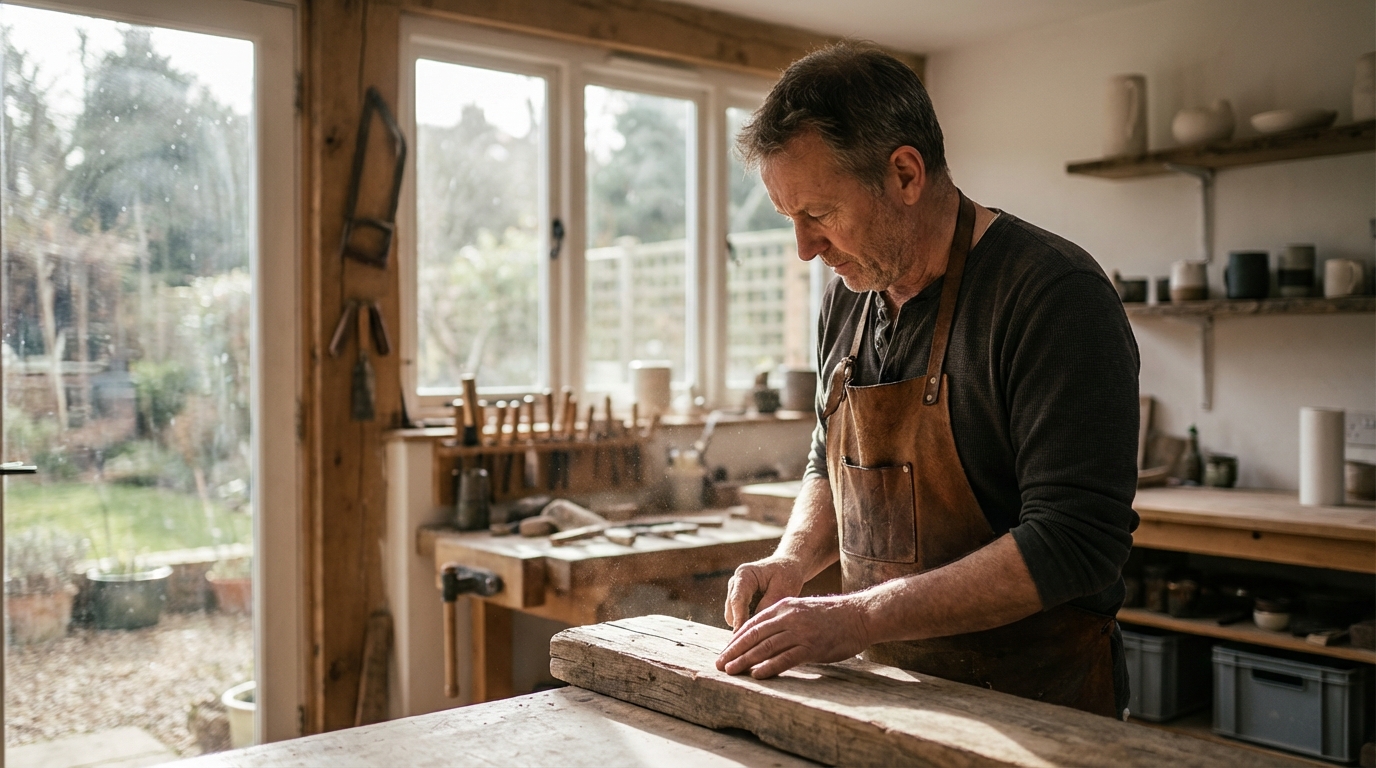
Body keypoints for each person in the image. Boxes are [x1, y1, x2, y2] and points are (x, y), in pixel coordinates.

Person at [715, 42, 1140, 718]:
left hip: (1037, 707)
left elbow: (1074, 542)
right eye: (789, 220)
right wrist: (794, 561)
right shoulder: (848, 295)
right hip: (887, 695)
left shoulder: (1054, 295)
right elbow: (828, 462)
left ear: (905, 174)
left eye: (818, 214)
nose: (804, 249)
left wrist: (856, 618)